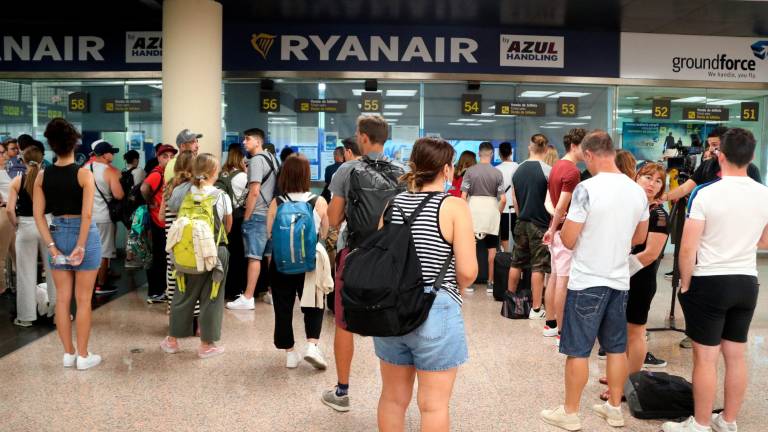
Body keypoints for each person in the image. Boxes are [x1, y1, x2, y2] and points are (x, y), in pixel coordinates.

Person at [541, 130, 649, 431]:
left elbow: (571, 238)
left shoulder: (587, 189)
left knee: (577, 350)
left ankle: (571, 412)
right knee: (616, 347)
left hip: (587, 280)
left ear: (588, 155)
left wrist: (564, 232)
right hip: (619, 281)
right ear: (612, 152)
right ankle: (614, 409)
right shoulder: (636, 190)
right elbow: (640, 237)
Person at [662, 128, 768, 432]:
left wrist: (685, 283)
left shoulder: (706, 194)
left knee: (705, 358)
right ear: (750, 156)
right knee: (736, 356)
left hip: (711, 281)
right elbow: (764, 241)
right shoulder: (764, 194)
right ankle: (729, 421)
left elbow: (687, 247)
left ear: (719, 154)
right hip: (747, 282)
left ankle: (701, 423)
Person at [374, 137, 477, 432]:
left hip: (392, 311)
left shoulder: (392, 205)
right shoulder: (453, 206)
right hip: (436, 310)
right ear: (447, 170)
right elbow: (468, 272)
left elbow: (382, 260)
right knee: (433, 405)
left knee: (393, 399)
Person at [322, 114, 405, 412]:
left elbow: (334, 219)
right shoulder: (403, 171)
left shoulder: (347, 170)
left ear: (364, 138)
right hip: (393, 257)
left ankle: (342, 392)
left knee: (344, 323)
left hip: (355, 254)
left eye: (358, 133)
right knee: (394, 318)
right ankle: (395, 393)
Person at [34, 118, 103, 370]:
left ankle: (68, 353)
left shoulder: (42, 176)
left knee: (62, 299)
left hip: (56, 233)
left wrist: (52, 246)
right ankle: (84, 356)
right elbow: (86, 215)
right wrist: (81, 245)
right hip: (84, 236)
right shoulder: (84, 174)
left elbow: (38, 215)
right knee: (83, 300)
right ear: (74, 143)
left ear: (51, 145)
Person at [597, 162, 670, 401]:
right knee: (619, 329)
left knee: (636, 331)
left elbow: (650, 254)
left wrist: (618, 269)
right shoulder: (631, 206)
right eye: (647, 177)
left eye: (658, 181)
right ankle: (621, 372)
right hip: (620, 276)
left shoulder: (659, 214)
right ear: (636, 178)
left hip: (639, 278)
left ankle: (630, 382)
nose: (652, 183)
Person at [160, 153, 232, 359]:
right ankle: (206, 345)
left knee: (183, 294)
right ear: (212, 173)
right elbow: (228, 225)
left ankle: (172, 341)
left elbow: (173, 212)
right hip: (214, 251)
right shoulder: (220, 195)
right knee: (212, 296)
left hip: (186, 251)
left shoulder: (184, 192)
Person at [266, 154, 330, 369]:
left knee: (283, 307)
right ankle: (312, 345)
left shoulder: (277, 202)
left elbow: (269, 233)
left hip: (281, 262)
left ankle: (290, 353)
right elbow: (325, 231)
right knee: (313, 303)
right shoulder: (318, 201)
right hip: (310, 263)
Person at [541, 128, 586, 342]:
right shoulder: (572, 172)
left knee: (554, 276)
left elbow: (550, 203)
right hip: (562, 231)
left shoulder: (556, 166)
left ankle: (550, 323)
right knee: (563, 281)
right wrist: (554, 229)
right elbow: (560, 206)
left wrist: (551, 228)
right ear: (574, 146)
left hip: (555, 229)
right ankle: (562, 331)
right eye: (584, 146)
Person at [227, 128, 279, 310]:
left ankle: (248, 297)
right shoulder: (272, 158)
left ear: (258, 141)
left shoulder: (256, 160)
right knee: (269, 256)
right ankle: (272, 293)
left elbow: (254, 191)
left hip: (257, 214)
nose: (244, 142)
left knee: (254, 257)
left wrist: (247, 217)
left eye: (247, 139)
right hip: (272, 214)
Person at [7, 146, 57, 326]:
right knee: (55, 272)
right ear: (42, 160)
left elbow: (10, 210)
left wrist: (17, 225)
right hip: (48, 224)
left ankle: (26, 317)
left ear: (22, 161)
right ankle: (56, 314)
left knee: (25, 274)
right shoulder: (50, 180)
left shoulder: (17, 181)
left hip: (26, 226)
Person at [508, 134, 552, 319]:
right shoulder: (548, 170)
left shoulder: (517, 170)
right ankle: (535, 308)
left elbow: (515, 200)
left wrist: (520, 217)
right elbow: (551, 200)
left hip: (522, 222)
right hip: (540, 224)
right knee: (538, 267)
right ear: (546, 149)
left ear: (529, 147)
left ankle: (509, 302)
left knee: (516, 262)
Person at [461, 142, 505, 293]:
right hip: (491, 211)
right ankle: (490, 283)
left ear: (479, 154)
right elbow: (503, 199)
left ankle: (469, 283)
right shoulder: (497, 173)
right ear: (492, 154)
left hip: (473, 211)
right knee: (492, 249)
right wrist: (497, 212)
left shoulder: (470, 172)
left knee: (471, 249)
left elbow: (463, 196)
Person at [163, 151, 197, 323]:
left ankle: (174, 318)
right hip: (190, 240)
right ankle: (196, 323)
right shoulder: (195, 189)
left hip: (172, 240)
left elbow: (162, 216)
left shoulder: (168, 186)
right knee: (194, 279)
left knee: (173, 278)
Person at [87, 141, 125, 295]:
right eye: (111, 152)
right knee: (104, 252)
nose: (113, 155)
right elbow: (119, 194)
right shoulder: (109, 171)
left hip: (87, 217)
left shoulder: (84, 168)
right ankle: (100, 285)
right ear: (104, 154)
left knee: (90, 251)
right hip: (103, 217)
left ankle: (88, 284)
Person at [142, 144, 178, 304]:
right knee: (159, 258)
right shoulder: (157, 173)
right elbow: (144, 188)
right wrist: (151, 203)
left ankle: (159, 290)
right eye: (165, 156)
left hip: (161, 220)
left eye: (171, 156)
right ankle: (156, 292)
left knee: (162, 257)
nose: (169, 159)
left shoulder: (167, 172)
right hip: (158, 221)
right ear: (158, 157)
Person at [220, 144, 249, 302]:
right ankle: (236, 289)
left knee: (226, 253)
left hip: (223, 217)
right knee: (238, 255)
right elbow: (249, 196)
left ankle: (224, 287)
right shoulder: (243, 177)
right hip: (237, 218)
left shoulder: (222, 174)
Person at [495, 142, 518, 252]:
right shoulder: (517, 167)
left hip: (501, 207)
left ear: (499, 153)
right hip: (515, 207)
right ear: (511, 152)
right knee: (516, 234)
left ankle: (506, 256)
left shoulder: (496, 169)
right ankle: (515, 257)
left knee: (504, 234)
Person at [0, 141, 14, 295]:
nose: (4, 155)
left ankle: (13, 285)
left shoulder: (4, 171)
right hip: (3, 215)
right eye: (1, 153)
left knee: (16, 255)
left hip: (11, 215)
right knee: (1, 256)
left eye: (4, 152)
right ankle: (1, 288)